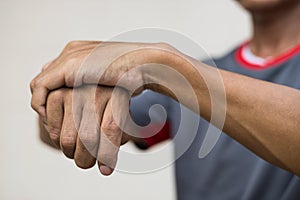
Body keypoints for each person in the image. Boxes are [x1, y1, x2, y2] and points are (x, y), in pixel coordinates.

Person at [31, 0, 300, 199]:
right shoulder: (189, 80)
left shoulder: (183, 77)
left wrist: (164, 67)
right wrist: (65, 96)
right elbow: (66, 131)